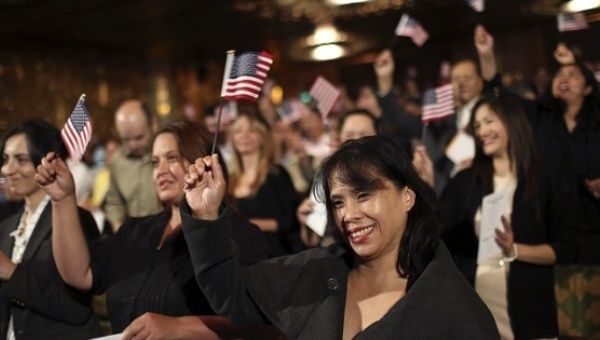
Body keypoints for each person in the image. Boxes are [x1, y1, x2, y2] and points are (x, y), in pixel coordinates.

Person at [180, 136, 499, 339]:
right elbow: (231, 294)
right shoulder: (313, 272)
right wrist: (207, 218)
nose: (349, 214)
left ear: (407, 197)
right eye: (338, 202)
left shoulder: (453, 305)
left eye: (364, 195)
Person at [35, 121, 269, 335]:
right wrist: (63, 199)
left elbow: (258, 319)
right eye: (156, 162)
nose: (161, 170)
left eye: (173, 158)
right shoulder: (135, 231)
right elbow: (80, 274)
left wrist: (180, 328)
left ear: (204, 161)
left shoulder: (237, 234)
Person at [439, 94, 570, 339]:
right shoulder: (465, 182)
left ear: (512, 122)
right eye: (477, 125)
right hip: (476, 312)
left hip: (531, 312)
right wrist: (425, 184)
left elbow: (564, 248)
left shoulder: (544, 180)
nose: (482, 131)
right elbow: (441, 232)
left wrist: (514, 249)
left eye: (489, 121)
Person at [475, 26, 600, 265]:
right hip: (546, 237)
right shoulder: (539, 116)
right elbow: (499, 96)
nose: (563, 78)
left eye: (572, 75)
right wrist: (487, 53)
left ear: (588, 88)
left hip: (593, 230)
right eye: (559, 75)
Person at [0, 119, 101, 339]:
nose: (7, 169)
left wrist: (11, 272)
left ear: (47, 162)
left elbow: (76, 309)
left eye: (21, 160)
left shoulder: (76, 221)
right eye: (6, 159)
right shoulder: (6, 226)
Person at [228, 108, 299, 256]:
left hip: (273, 255)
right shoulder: (229, 179)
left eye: (252, 131)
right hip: (239, 257)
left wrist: (244, 225)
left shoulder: (276, 174)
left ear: (263, 137)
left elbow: (288, 220)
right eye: (238, 131)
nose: (244, 136)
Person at [104, 100, 162, 231]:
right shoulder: (117, 161)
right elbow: (114, 202)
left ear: (153, 124)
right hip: (135, 235)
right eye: (126, 139)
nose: (133, 145)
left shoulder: (169, 153)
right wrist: (119, 231)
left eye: (139, 137)